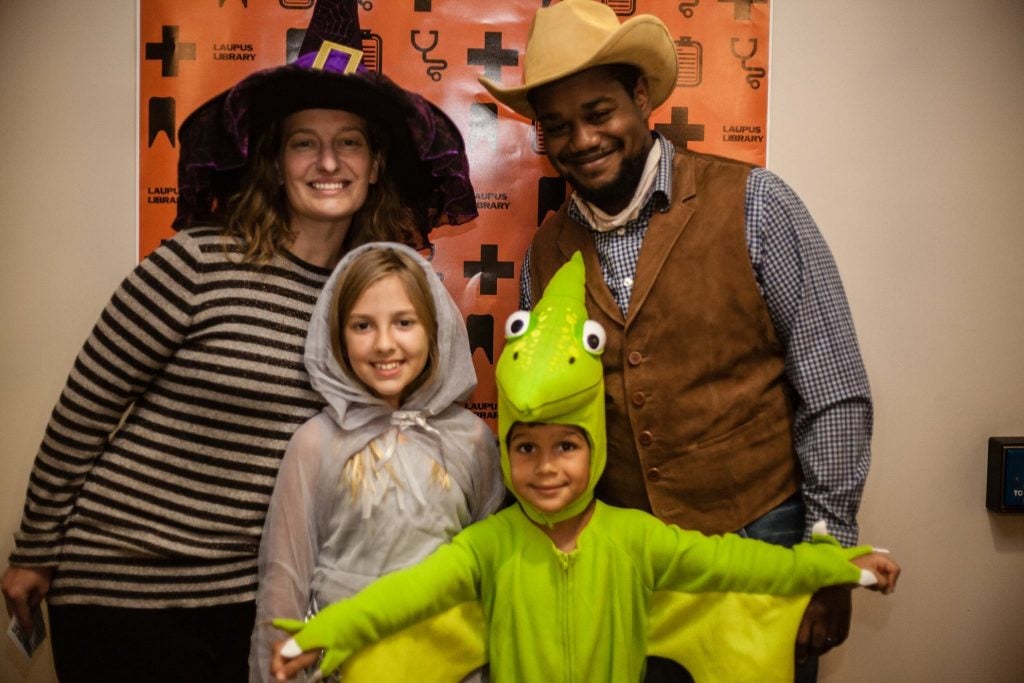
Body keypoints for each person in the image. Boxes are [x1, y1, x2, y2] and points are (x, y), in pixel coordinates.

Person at [0, 1, 476, 680]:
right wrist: (35, 548)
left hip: (255, 601)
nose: (328, 161)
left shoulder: (372, 300)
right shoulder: (195, 264)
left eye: (349, 142)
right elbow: (84, 411)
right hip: (127, 590)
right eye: (304, 142)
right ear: (276, 163)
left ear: (375, 166)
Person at [268, 253, 899, 683]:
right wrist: (330, 632)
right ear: (505, 450)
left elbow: (740, 563)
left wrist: (836, 563)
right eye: (526, 448)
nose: (545, 469)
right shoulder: (487, 547)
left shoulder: (636, 539)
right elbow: (405, 597)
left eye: (566, 447)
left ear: (595, 444)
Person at [478, 1, 873, 678]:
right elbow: (543, 419)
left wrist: (829, 557)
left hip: (762, 541)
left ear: (640, 98)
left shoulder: (756, 203)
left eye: (598, 112)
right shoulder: (546, 252)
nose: (581, 139)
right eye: (558, 126)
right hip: (628, 568)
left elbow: (832, 389)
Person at [249, 242, 504, 682]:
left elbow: (494, 568)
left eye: (404, 322)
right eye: (363, 325)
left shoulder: (473, 441)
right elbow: (284, 581)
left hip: (450, 668)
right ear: (337, 336)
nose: (385, 344)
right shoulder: (316, 443)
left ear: (434, 329)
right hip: (345, 668)